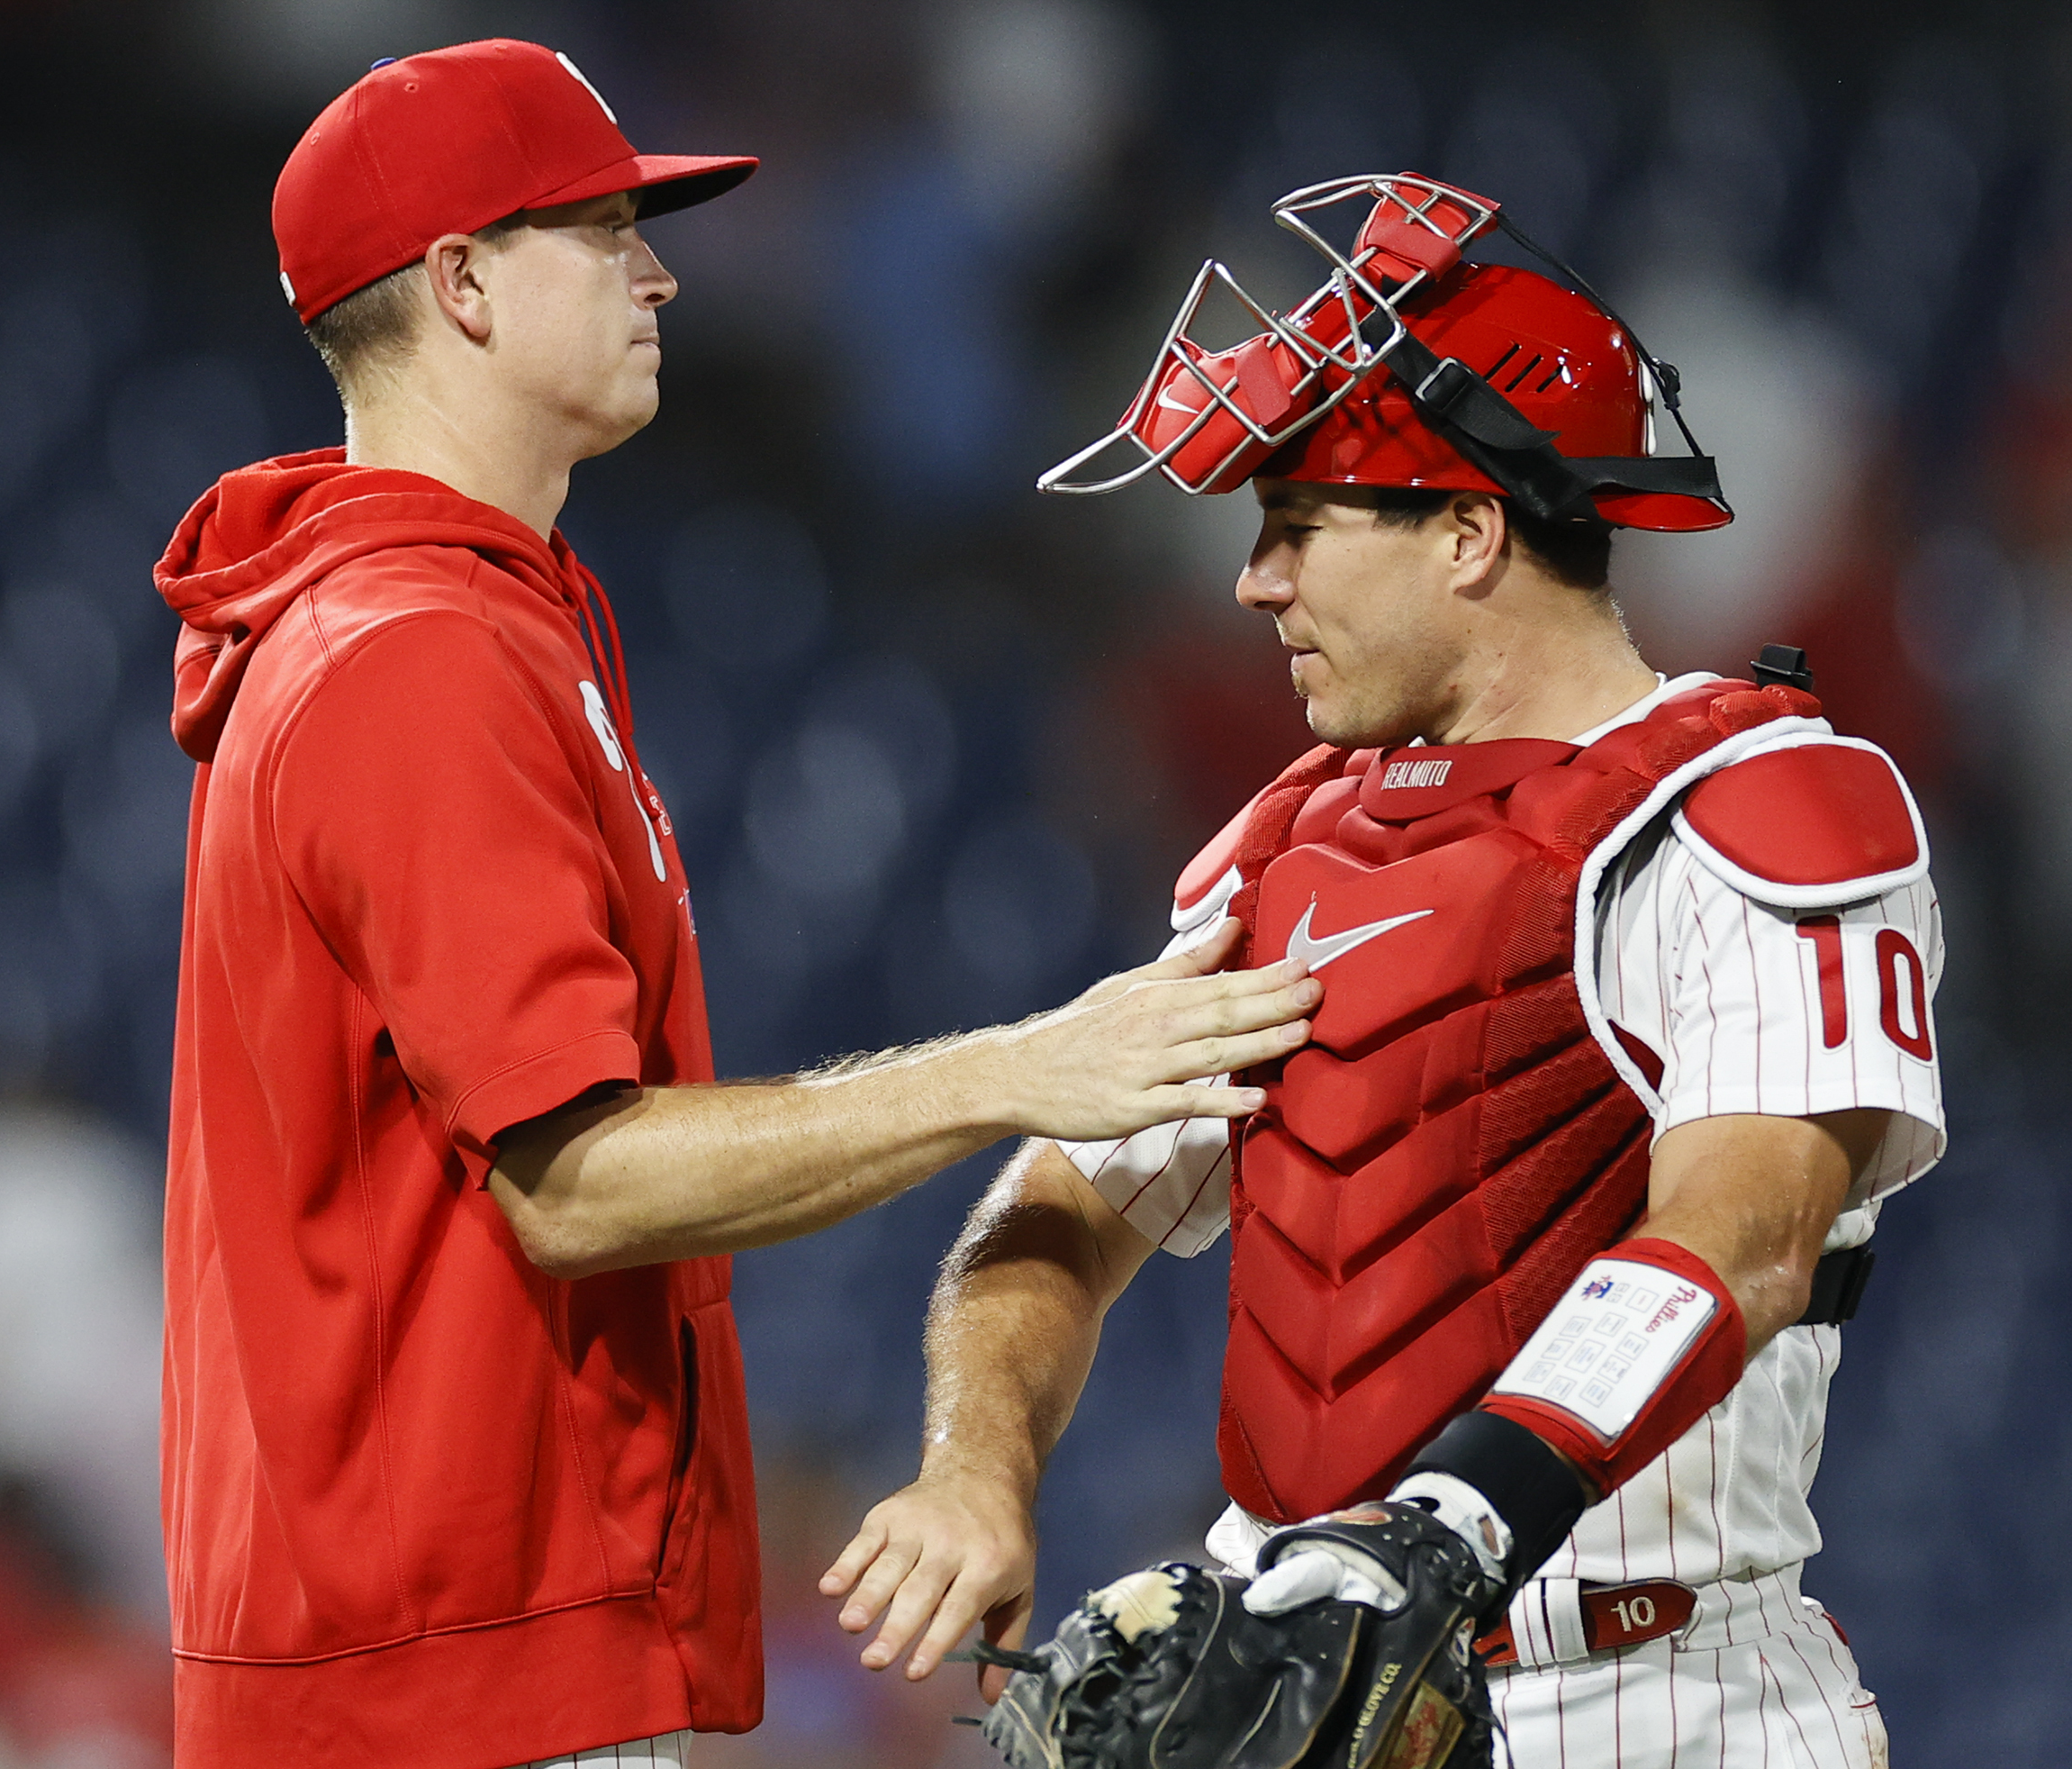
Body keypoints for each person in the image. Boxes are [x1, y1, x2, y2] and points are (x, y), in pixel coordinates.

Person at [153, 41, 1319, 1769]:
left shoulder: (458, 615)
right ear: (461, 284)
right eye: (601, 229)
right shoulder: (411, 654)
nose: (660, 269)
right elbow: (573, 1178)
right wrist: (1021, 1067)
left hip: (440, 1646)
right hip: (442, 1671)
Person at [825, 175, 1941, 1767]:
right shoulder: (1288, 854)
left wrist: (1440, 1532)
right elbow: (1064, 1194)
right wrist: (978, 1469)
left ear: (1471, 533)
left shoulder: (1761, 808)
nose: (1252, 582)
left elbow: (1747, 1231)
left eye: (1297, 528)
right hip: (1321, 1688)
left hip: (1659, 1692)